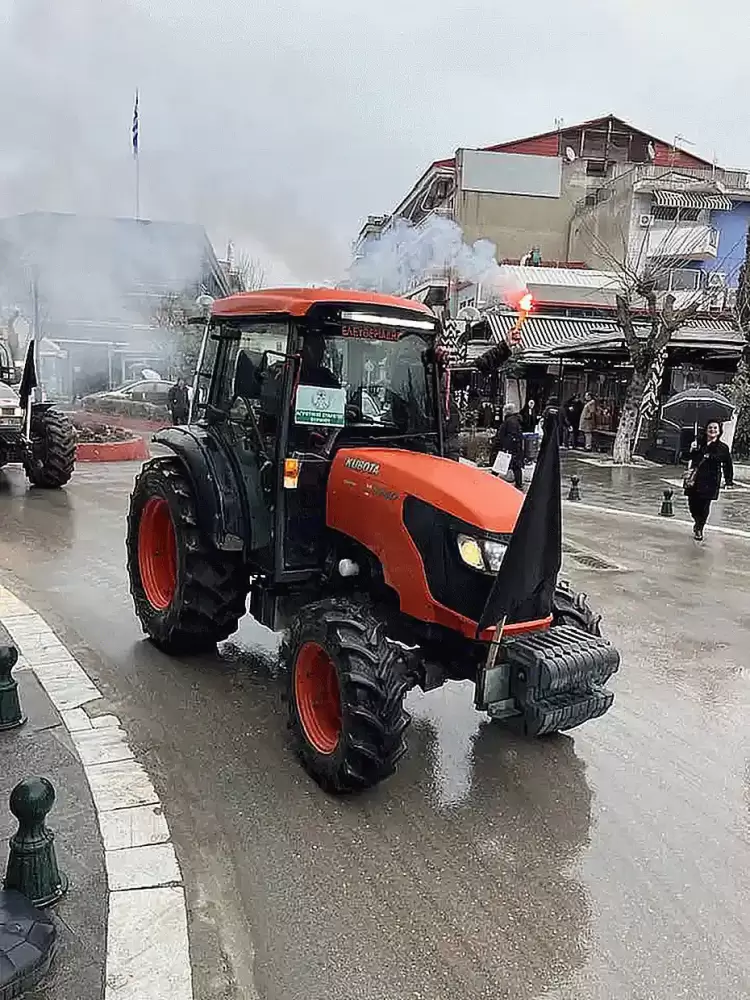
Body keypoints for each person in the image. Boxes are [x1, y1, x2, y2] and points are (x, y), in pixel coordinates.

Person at [684, 420, 734, 541]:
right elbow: (686, 458)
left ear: (719, 431)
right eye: (710, 428)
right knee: (693, 505)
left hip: (711, 480)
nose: (712, 430)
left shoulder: (722, 447)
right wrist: (691, 449)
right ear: (706, 430)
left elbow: (727, 464)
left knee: (705, 506)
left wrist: (729, 481)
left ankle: (700, 528)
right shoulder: (698, 444)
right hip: (695, 479)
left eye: (715, 428)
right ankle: (697, 520)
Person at [491, 402, 524, 489]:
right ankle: (519, 484)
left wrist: (505, 447)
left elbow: (509, 436)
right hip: (514, 448)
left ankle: (491, 479)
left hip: (509, 448)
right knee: (515, 466)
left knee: (502, 464)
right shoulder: (514, 420)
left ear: (508, 411)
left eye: (504, 410)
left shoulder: (510, 421)